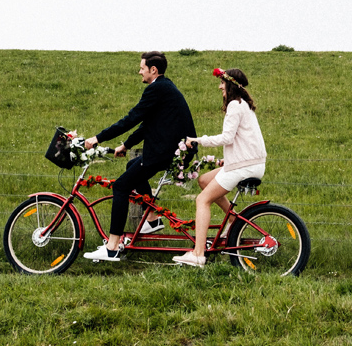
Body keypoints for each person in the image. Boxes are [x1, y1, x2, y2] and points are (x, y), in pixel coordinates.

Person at [78, 51, 196, 262]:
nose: (139, 71)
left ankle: (112, 246)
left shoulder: (157, 88)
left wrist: (98, 138)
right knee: (132, 166)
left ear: (153, 70)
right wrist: (126, 144)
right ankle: (152, 219)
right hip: (171, 149)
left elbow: (132, 118)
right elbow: (147, 124)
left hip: (166, 151)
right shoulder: (165, 87)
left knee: (121, 186)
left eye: (142, 68)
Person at [172, 67, 267, 268]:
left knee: (202, 200)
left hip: (243, 166)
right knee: (204, 180)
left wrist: (198, 140)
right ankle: (232, 220)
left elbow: (227, 138)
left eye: (222, 83)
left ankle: (198, 254)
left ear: (230, 84)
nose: (220, 86)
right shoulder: (244, 105)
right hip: (249, 163)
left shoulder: (234, 105)